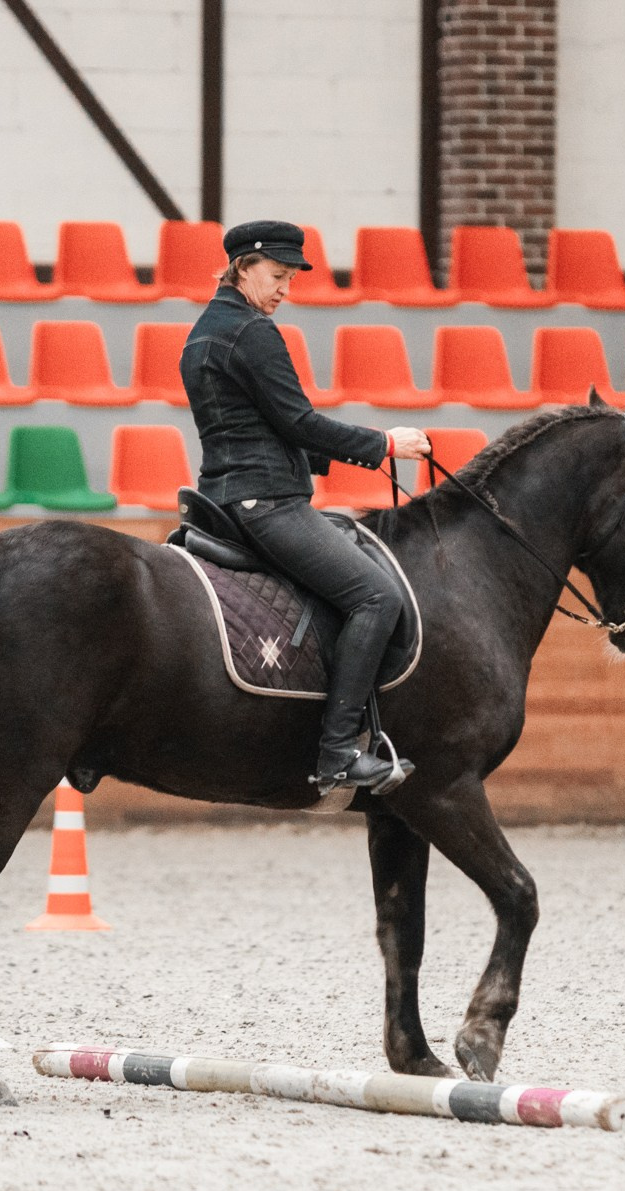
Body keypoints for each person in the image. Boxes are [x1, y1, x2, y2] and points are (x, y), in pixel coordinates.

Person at [180, 220, 433, 796]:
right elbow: (298, 422)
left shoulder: (203, 332)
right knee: (377, 596)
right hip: (266, 502)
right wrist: (384, 444)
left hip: (221, 494)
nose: (284, 290)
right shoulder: (252, 333)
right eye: (276, 276)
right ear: (243, 268)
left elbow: (260, 426)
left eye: (290, 279)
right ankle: (338, 751)